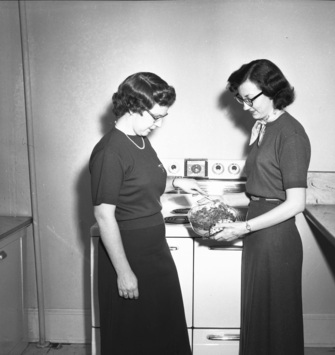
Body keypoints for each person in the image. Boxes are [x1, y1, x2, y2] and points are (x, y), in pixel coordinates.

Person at [89, 72, 201, 354]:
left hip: (155, 250)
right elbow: (104, 216)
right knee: (134, 338)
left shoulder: (141, 141)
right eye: (155, 116)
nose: (159, 123)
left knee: (164, 331)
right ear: (132, 106)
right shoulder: (109, 152)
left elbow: (142, 184)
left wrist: (176, 182)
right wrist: (124, 272)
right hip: (128, 254)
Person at [213, 59, 311, 355]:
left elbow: (296, 203)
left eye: (249, 99)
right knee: (259, 319)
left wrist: (242, 227)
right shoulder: (264, 127)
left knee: (277, 325)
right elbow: (259, 194)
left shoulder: (290, 134)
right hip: (259, 234)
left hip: (275, 239)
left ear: (272, 90)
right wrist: (217, 199)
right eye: (240, 99)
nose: (244, 106)